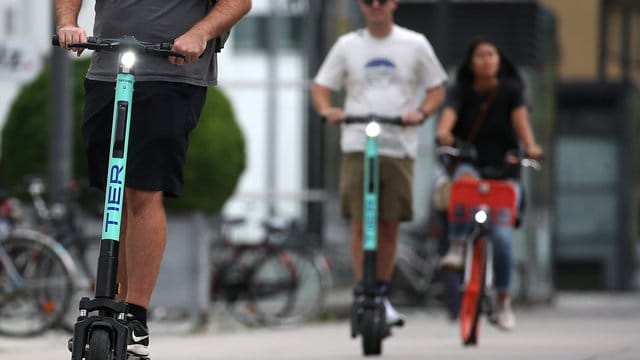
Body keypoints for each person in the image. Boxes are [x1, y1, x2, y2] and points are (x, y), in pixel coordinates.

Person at [54, 0, 251, 357]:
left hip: (170, 72)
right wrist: (69, 22)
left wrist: (199, 33)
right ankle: (108, 301)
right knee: (118, 193)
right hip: (106, 67)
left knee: (145, 191)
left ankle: (136, 317)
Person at [311, 0, 447, 325]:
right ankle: (363, 290)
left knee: (389, 222)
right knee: (360, 222)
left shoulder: (414, 43)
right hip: (359, 141)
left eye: (381, 1)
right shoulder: (348, 45)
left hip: (398, 145)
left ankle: (381, 293)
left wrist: (421, 113)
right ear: (361, 6)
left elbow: (436, 89)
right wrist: (327, 109)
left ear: (393, 4)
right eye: (368, 1)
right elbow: (320, 87)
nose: (375, 6)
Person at [436, 38, 543, 331]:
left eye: (491, 55)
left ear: (499, 60)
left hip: (504, 171)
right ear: (470, 62)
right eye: (480, 55)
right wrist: (444, 133)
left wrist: (531, 146)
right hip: (471, 162)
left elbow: (521, 121)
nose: (486, 60)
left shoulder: (511, 91)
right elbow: (449, 115)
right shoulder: (460, 91)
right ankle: (457, 246)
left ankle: (503, 301)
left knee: (503, 239)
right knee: (463, 181)